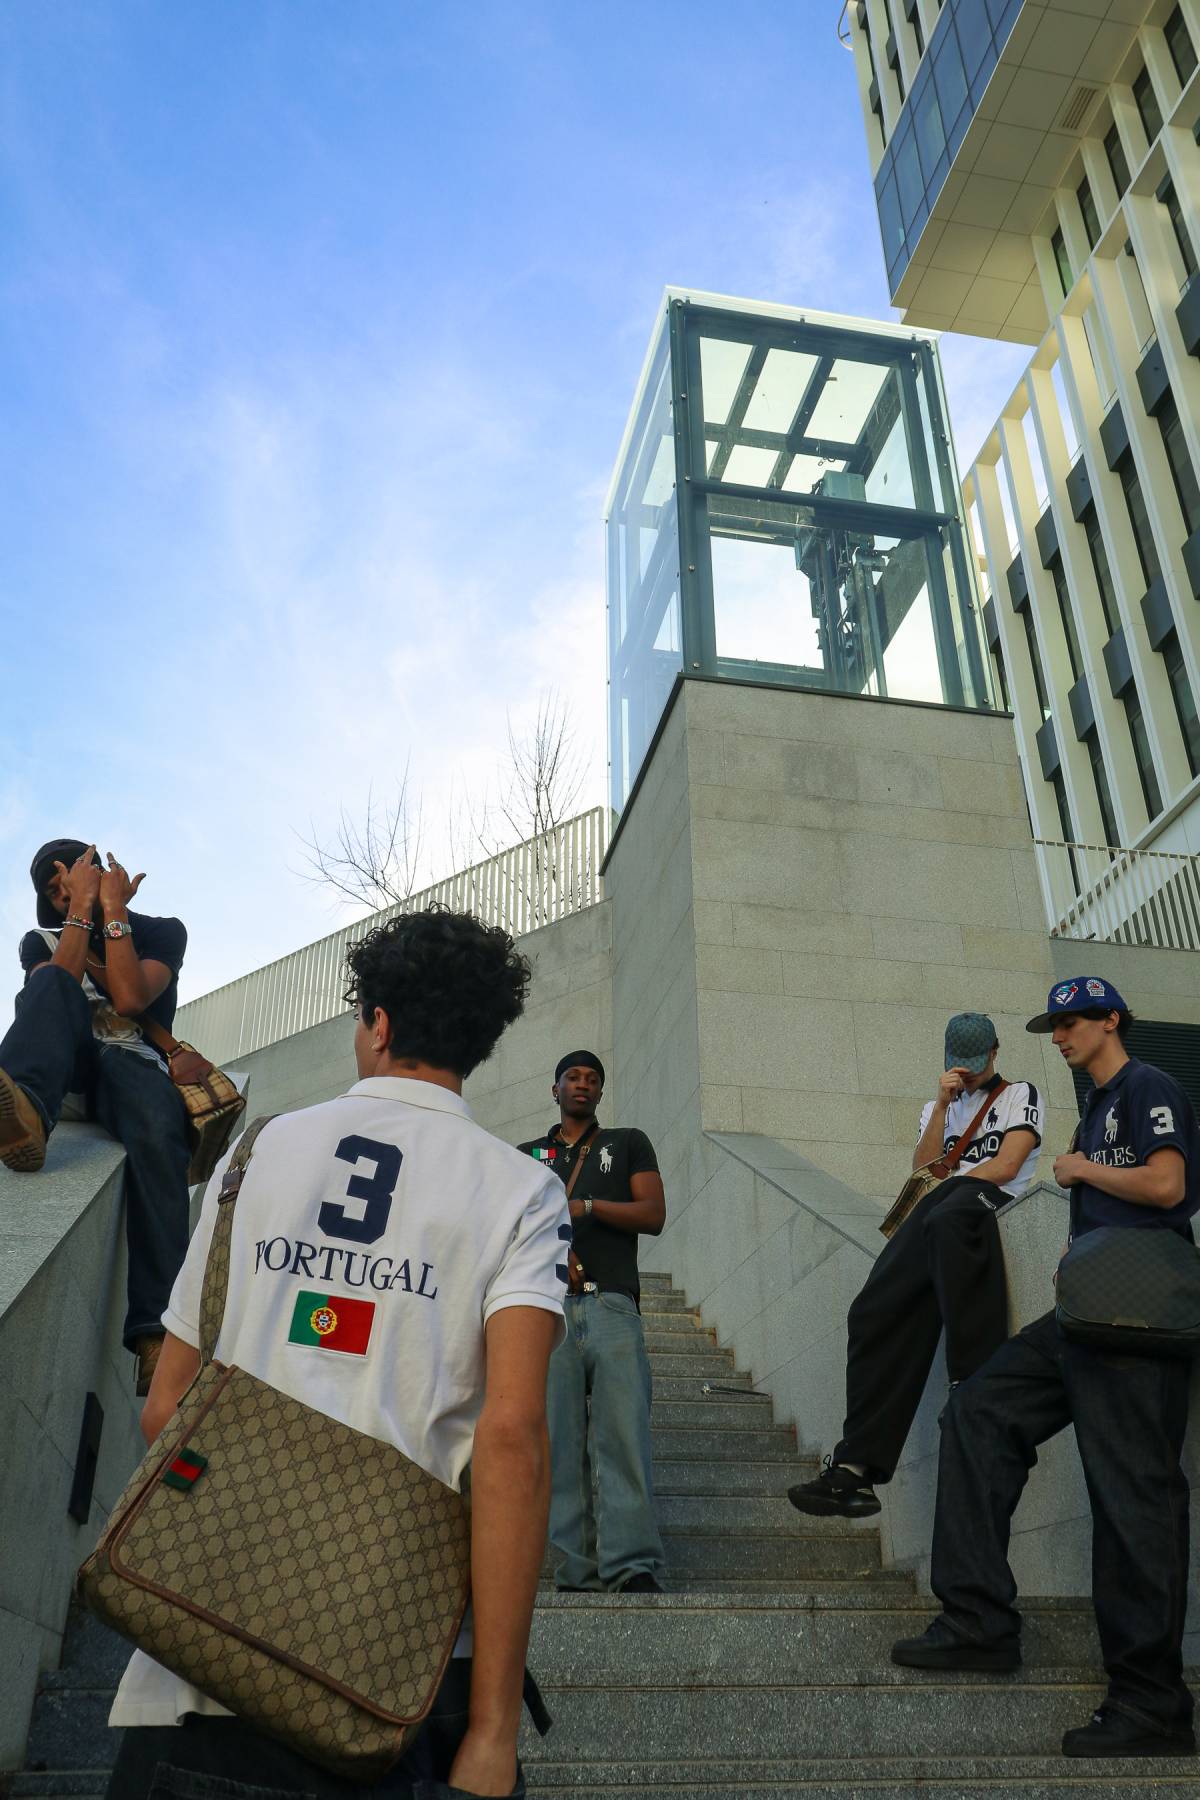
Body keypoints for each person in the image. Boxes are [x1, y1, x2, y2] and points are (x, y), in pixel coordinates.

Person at [105, 907, 569, 1800]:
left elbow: (167, 1407)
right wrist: (493, 1731)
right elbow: (512, 1445)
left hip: (197, 1656)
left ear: (379, 1023)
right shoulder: (523, 1191)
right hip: (394, 1679)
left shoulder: (260, 1150)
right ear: (476, 1044)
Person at [892, 977, 1198, 1761]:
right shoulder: (1096, 1106)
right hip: (1086, 1316)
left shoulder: (1145, 1085)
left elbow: (1169, 1186)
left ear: (1110, 1020)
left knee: (1134, 1498)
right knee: (979, 1408)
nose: (1059, 1035)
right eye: (1053, 1024)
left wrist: (1080, 1173)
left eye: (1071, 1022)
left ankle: (1152, 1704)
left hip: (1137, 1324)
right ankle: (977, 1621)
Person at [789, 1011, 1043, 1521]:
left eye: (975, 1063)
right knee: (871, 1311)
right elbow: (922, 1172)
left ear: (995, 1052)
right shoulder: (936, 1107)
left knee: (948, 1214)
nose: (967, 1072)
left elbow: (1009, 1164)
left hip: (986, 1202)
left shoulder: (1021, 1094)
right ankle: (855, 1468)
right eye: (958, 1065)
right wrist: (946, 1104)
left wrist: (954, 1184)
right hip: (938, 1213)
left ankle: (970, 1380)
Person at [0, 839, 191, 1393]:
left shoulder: (162, 931)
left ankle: (156, 1330)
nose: (62, 896)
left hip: (128, 1061)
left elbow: (131, 999)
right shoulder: (39, 941)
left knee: (158, 1130)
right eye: (54, 891)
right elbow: (51, 993)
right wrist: (83, 911)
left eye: (70, 880)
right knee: (47, 993)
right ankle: (28, 1112)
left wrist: (114, 915)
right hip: (62, 1063)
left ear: (101, 872)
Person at [518, 1052, 667, 1595]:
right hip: (550, 1307)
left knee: (623, 1433)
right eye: (573, 1078)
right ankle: (576, 1568)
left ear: (600, 1092)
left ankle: (631, 1565)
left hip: (611, 1305)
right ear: (553, 1088)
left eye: (593, 1079)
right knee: (558, 1439)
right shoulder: (527, 1156)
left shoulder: (627, 1142)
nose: (583, 1085)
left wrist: (587, 1208)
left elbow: (652, 1213)